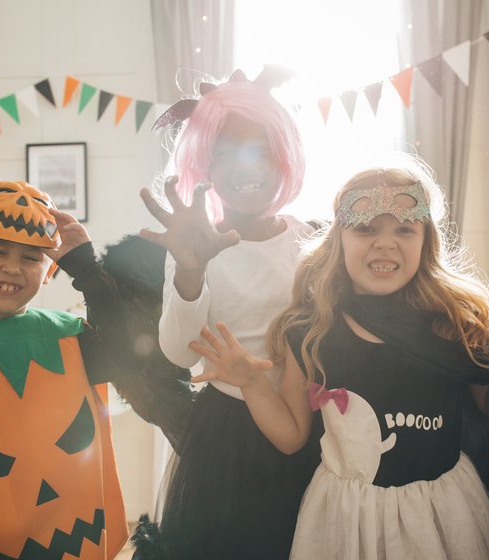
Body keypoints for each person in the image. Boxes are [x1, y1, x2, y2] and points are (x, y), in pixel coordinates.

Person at [189, 155, 489, 559]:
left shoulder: (452, 323)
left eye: (405, 229)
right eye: (366, 229)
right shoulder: (310, 330)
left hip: (441, 512)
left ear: (426, 242)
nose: (385, 243)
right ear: (339, 240)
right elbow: (291, 436)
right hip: (347, 517)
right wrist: (251, 382)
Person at [133, 67, 323, 560]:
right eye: (225, 153)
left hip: (310, 424)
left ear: (285, 155)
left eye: (261, 148)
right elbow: (177, 354)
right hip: (228, 435)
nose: (245, 165)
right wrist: (191, 271)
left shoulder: (314, 240)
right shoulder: (193, 246)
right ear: (206, 168)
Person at [0, 181, 143, 560]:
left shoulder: (69, 336)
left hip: (80, 539)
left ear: (49, 268)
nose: (12, 267)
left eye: (31, 257)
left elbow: (128, 353)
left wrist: (86, 267)